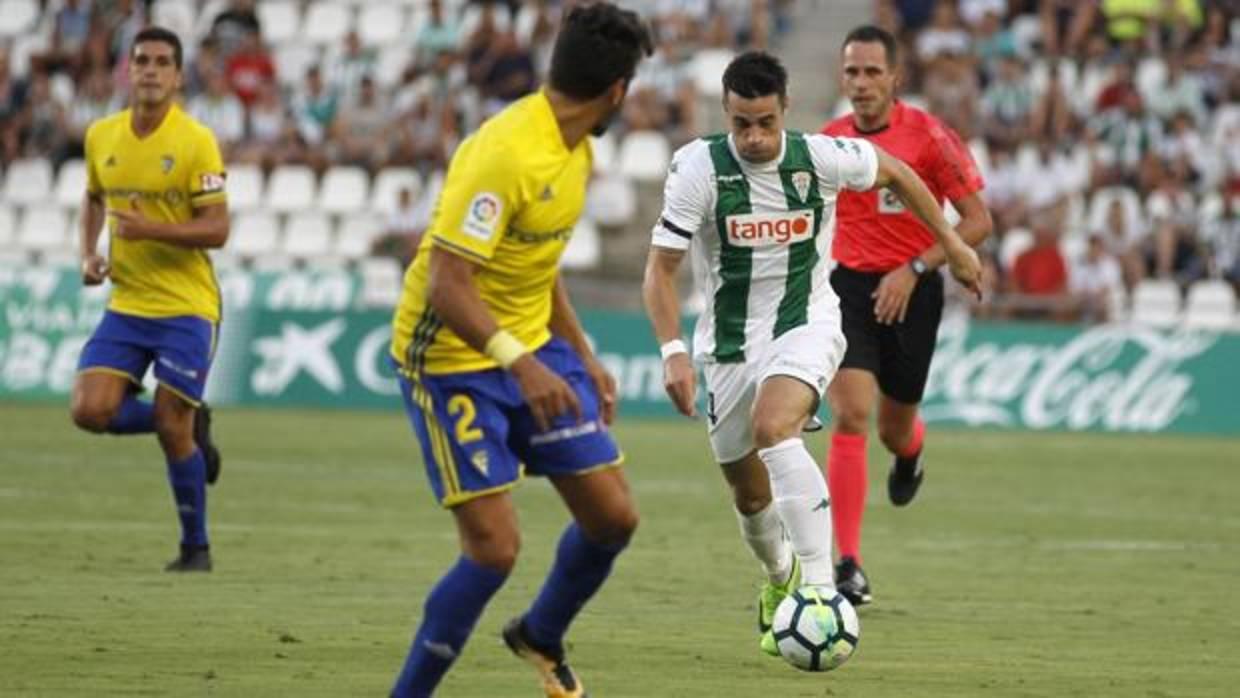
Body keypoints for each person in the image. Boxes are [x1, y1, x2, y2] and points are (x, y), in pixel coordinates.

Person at [641, 51, 982, 657]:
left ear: (785, 111)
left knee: (778, 427)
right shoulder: (698, 169)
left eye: (765, 122)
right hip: (725, 346)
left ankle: (823, 592)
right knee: (750, 498)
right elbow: (660, 272)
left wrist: (951, 243)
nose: (753, 136)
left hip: (808, 324)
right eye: (741, 122)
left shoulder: (822, 158)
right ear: (725, 113)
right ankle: (781, 583)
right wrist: (671, 351)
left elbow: (900, 172)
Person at [386, 5, 652, 697]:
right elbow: (447, 281)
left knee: (612, 517)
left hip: (529, 345)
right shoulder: (501, 151)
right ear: (617, 91)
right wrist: (520, 361)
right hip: (448, 359)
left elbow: (536, 263)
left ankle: (540, 633)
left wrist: (582, 354)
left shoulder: (578, 151)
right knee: (494, 549)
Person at [820, 25, 992, 605]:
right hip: (846, 288)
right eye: (852, 72)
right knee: (851, 413)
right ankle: (846, 565)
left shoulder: (928, 138)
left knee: (893, 428)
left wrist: (914, 269)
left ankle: (911, 454)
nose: (861, 83)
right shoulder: (829, 141)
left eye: (872, 72)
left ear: (896, 78)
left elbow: (977, 222)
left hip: (914, 289)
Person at [68, 27, 228, 573]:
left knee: (169, 424)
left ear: (179, 76)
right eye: (142, 61)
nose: (151, 70)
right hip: (129, 303)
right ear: (128, 71)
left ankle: (195, 548)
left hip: (187, 306)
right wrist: (87, 254)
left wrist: (151, 231)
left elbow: (218, 229)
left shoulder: (196, 141)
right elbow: (93, 198)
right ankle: (188, 422)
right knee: (89, 411)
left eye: (163, 62)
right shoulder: (101, 136)